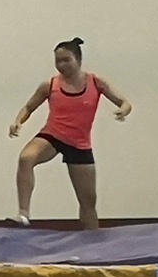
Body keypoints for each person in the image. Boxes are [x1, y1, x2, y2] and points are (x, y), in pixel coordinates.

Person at [10, 38, 129, 227]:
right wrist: (18, 121)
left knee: (88, 202)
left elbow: (124, 102)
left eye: (66, 60)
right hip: (53, 136)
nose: (61, 65)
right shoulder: (50, 85)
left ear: (78, 60)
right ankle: (23, 214)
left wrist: (123, 110)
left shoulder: (96, 82)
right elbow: (29, 107)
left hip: (79, 144)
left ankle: (93, 238)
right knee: (26, 158)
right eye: (58, 61)